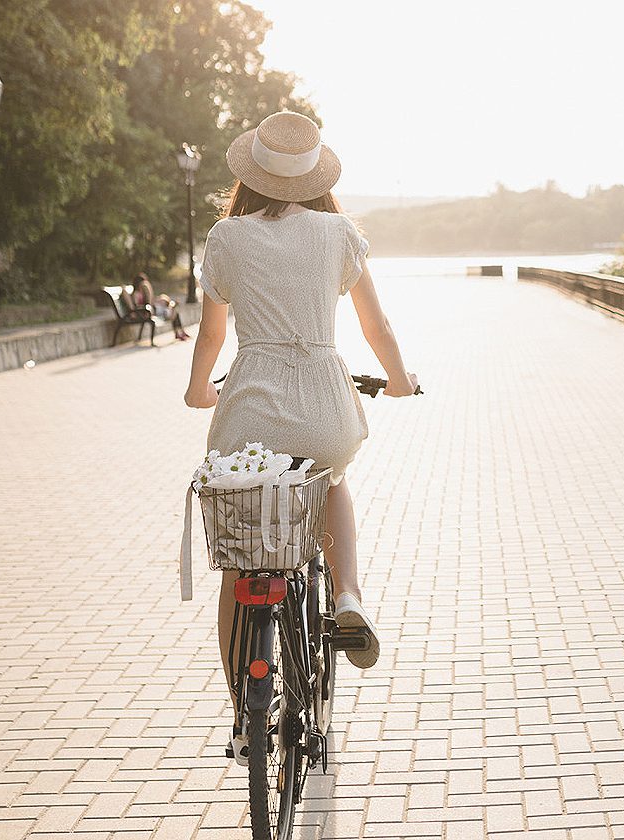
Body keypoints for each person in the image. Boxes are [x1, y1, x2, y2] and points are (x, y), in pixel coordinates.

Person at [182, 111, 418, 759]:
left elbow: (211, 336)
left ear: (249, 175)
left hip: (249, 405)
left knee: (241, 561)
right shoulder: (340, 234)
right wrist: (398, 381)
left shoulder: (228, 238)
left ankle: (243, 716)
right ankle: (348, 595)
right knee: (332, 478)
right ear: (316, 177)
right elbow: (378, 329)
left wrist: (200, 391)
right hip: (322, 401)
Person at [129, 272, 190, 341]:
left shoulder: (143, 292)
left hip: (152, 310)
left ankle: (179, 332)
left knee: (173, 310)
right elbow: (137, 306)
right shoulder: (136, 294)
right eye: (144, 283)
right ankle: (179, 332)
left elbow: (150, 301)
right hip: (148, 312)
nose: (145, 285)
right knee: (173, 312)